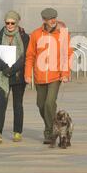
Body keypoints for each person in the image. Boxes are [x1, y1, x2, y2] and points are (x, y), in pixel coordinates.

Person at [24, 8, 73, 144]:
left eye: (54, 18)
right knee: (41, 104)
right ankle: (51, 126)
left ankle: (50, 131)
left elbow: (67, 54)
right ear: (44, 20)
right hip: (39, 76)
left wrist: (65, 74)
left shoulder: (62, 34)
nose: (53, 21)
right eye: (50, 19)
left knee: (49, 103)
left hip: (55, 76)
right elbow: (30, 56)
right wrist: (27, 74)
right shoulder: (35, 34)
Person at [0, 11, 30, 144]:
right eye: (7, 23)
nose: (10, 25)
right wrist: (5, 67)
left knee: (18, 104)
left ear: (17, 23)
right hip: (3, 75)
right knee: (1, 105)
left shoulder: (24, 37)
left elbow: (25, 56)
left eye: (12, 23)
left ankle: (17, 132)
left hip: (18, 75)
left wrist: (14, 69)